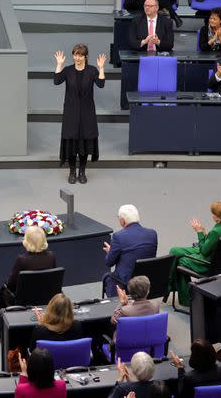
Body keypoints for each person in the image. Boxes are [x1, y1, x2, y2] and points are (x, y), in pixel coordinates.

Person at [53, 44, 106, 184]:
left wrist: (101, 68)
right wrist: (59, 64)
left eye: (80, 55)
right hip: (71, 112)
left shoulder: (92, 70)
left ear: (85, 57)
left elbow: (101, 84)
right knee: (71, 143)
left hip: (87, 113)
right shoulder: (68, 70)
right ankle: (72, 172)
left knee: (84, 143)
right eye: (75, 55)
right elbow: (56, 81)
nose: (77, 58)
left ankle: (82, 171)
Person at [168, 201, 221, 307]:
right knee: (175, 251)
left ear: (218, 218)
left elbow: (204, 251)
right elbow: (212, 243)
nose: (212, 215)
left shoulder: (216, 232)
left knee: (180, 261)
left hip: (206, 263)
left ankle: (184, 298)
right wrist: (205, 235)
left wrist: (199, 232)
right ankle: (171, 284)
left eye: (213, 214)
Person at [0, 226, 57, 331]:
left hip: (24, 300)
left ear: (27, 241)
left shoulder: (22, 260)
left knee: (2, 291)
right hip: (47, 297)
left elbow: (11, 284)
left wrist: (5, 285)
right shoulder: (51, 256)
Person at [103, 205, 158, 298]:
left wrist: (110, 251)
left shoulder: (118, 236)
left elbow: (109, 262)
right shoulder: (152, 234)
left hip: (125, 282)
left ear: (123, 220)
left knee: (107, 277)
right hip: (145, 279)